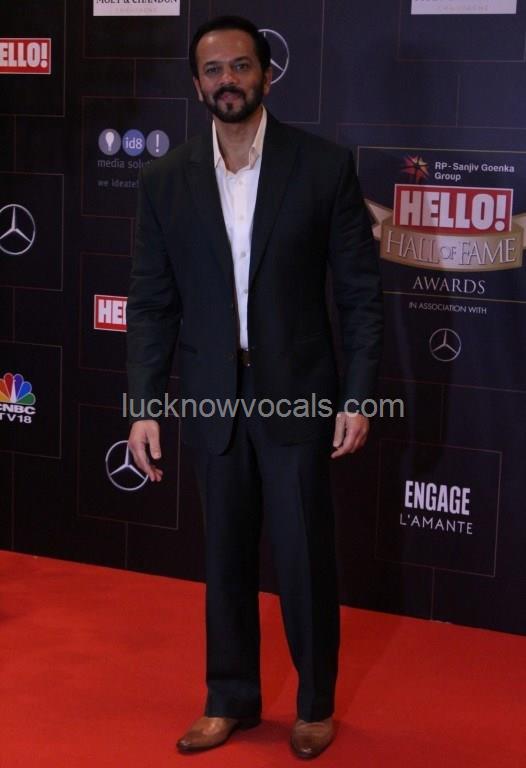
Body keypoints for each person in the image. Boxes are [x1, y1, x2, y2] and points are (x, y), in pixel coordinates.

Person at [126, 15, 383, 760]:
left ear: (266, 74)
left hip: (298, 394)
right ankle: (229, 699)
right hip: (211, 395)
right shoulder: (164, 180)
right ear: (196, 84)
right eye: (213, 70)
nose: (227, 81)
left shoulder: (323, 167)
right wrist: (144, 404)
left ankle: (314, 705)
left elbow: (359, 297)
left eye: (240, 66)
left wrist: (359, 395)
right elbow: (151, 303)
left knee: (304, 560)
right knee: (224, 562)